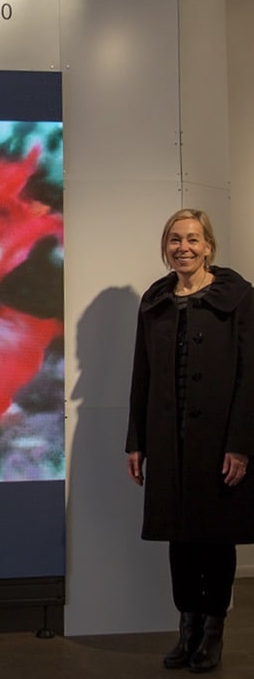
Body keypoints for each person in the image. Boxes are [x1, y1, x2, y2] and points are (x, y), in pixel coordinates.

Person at [126, 209, 254, 673]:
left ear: (209, 247)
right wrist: (136, 441)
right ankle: (188, 628)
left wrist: (240, 443)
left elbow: (250, 376)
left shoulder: (237, 298)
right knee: (178, 538)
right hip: (167, 439)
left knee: (215, 538)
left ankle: (213, 631)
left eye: (193, 240)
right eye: (176, 239)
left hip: (219, 440)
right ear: (167, 246)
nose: (184, 247)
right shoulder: (154, 300)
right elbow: (142, 375)